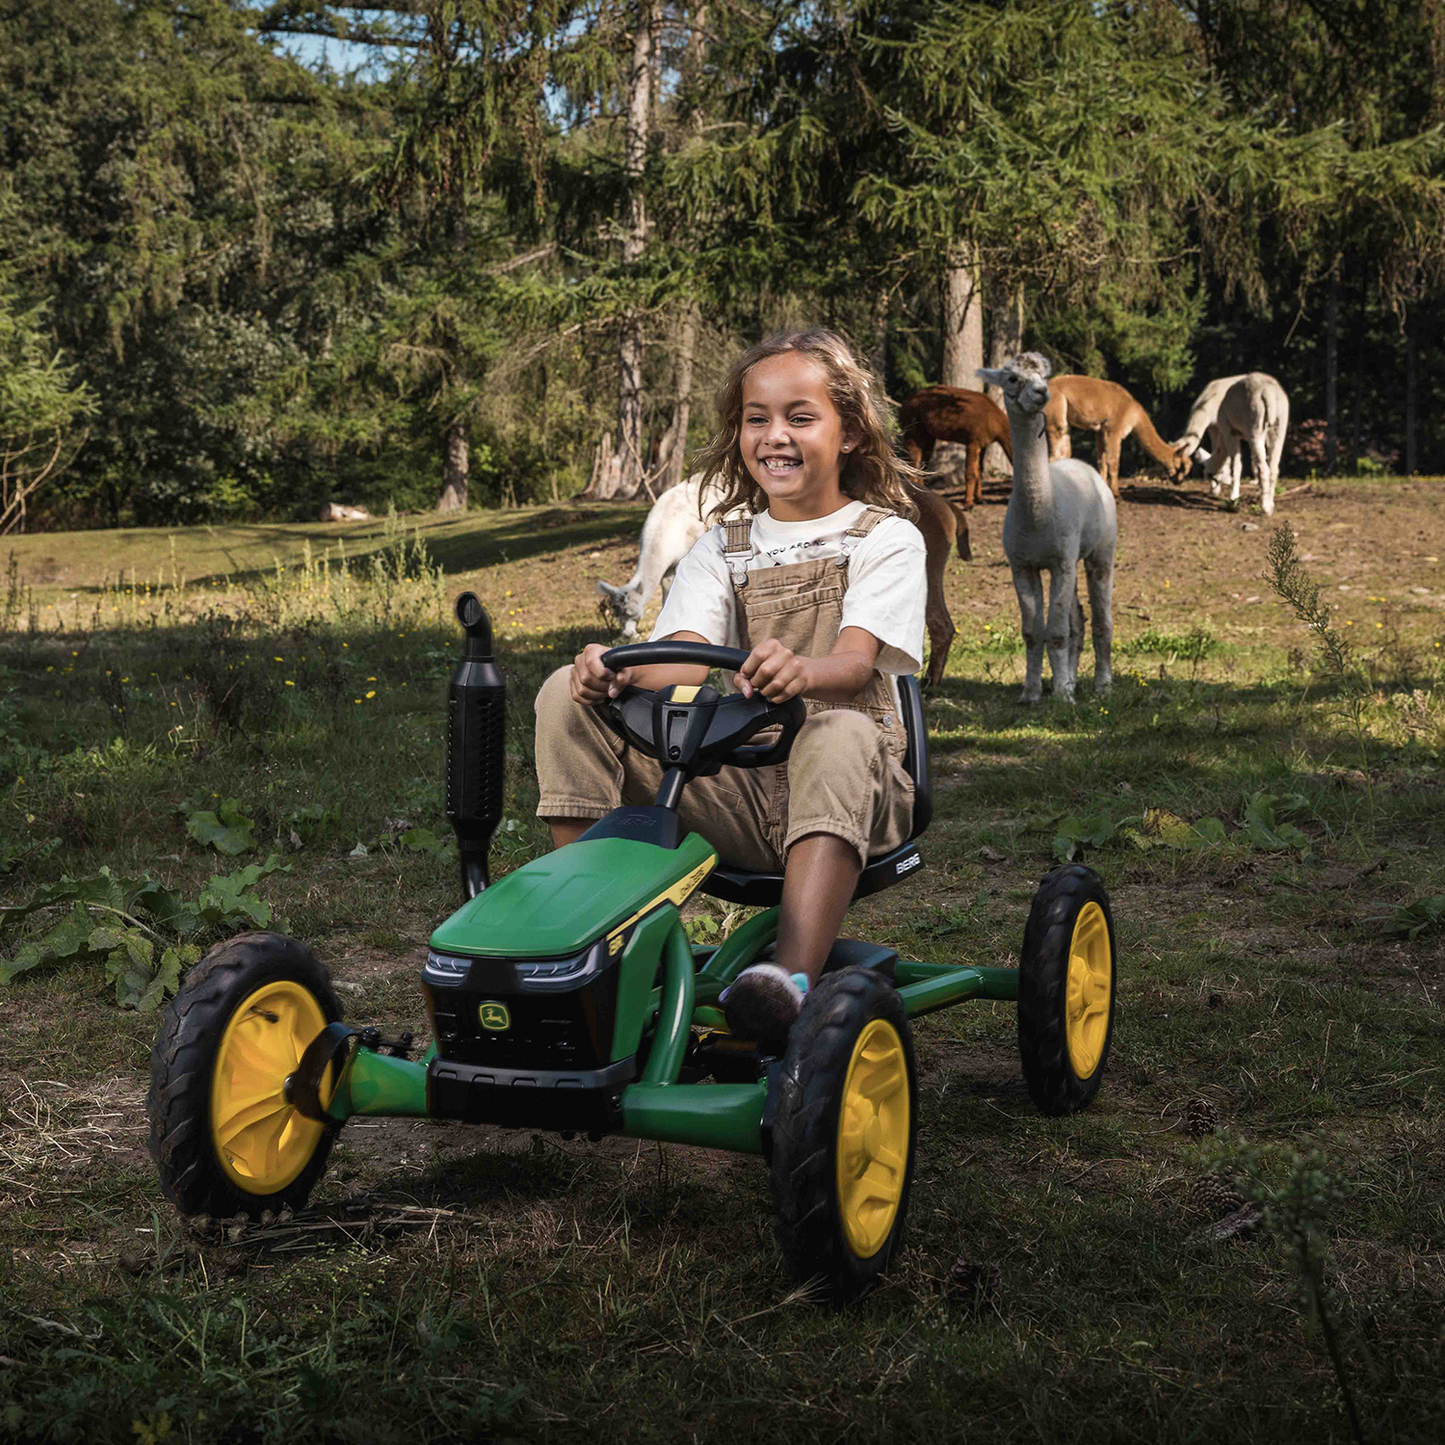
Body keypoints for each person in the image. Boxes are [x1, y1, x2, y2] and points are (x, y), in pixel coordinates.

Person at [534, 328, 927, 1048]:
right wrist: (613, 668)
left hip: (858, 790)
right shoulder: (724, 544)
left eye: (800, 417)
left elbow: (852, 665)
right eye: (757, 418)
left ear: (847, 434)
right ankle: (587, 945)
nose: (774, 436)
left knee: (837, 724)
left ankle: (788, 981)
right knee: (567, 690)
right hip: (740, 786)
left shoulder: (885, 537)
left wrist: (801, 672)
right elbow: (681, 658)